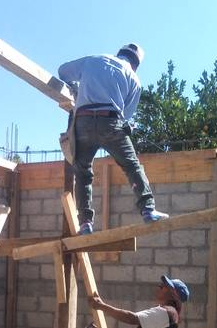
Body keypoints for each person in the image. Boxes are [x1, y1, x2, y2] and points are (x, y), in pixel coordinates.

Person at [58, 44, 168, 235]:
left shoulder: (94, 59)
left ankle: (85, 224)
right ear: (135, 64)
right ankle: (148, 209)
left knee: (83, 173)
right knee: (131, 166)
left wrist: (76, 89)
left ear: (119, 53)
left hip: (82, 121)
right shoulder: (134, 78)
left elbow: (62, 71)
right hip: (110, 121)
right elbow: (125, 115)